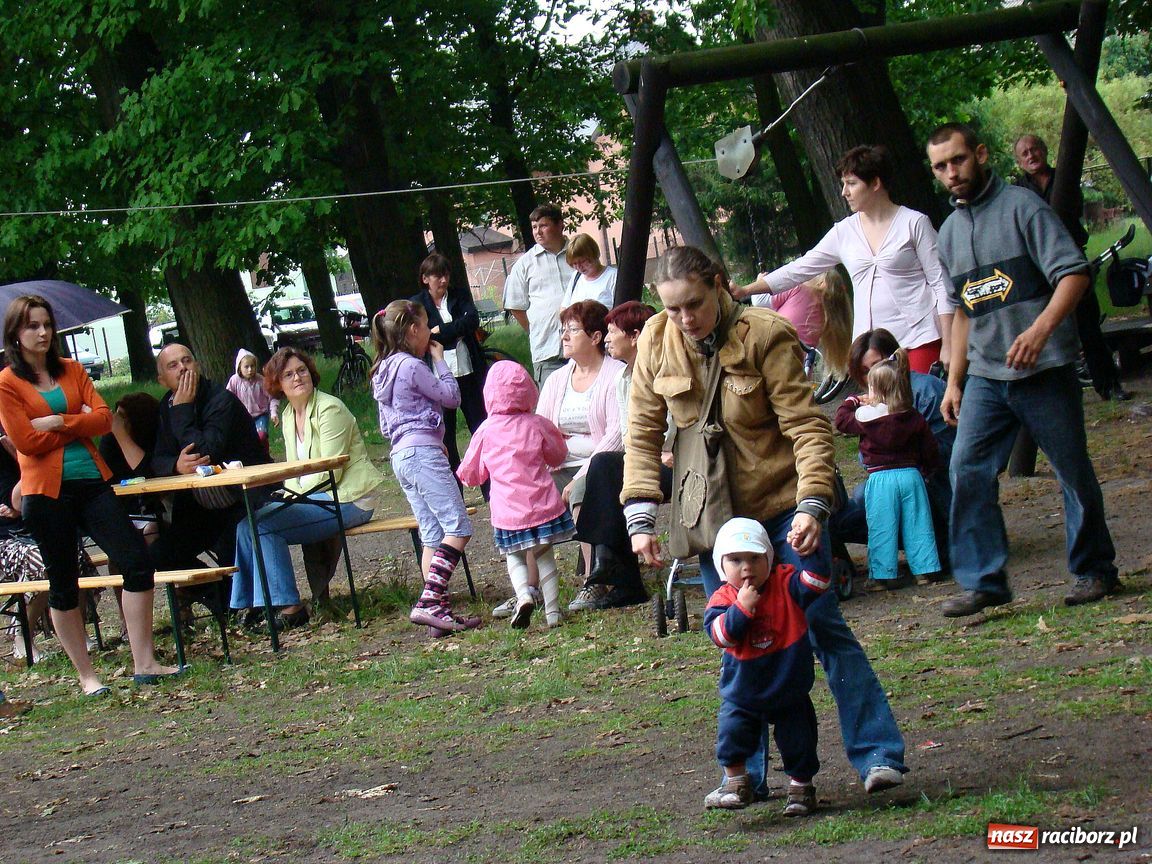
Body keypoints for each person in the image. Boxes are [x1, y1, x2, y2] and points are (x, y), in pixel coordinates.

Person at [623, 245, 908, 797]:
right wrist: (640, 516)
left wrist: (812, 506)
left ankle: (878, 754)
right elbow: (640, 434)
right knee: (738, 643)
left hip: (782, 512)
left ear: (721, 285)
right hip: (716, 524)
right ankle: (745, 777)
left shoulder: (765, 334)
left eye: (694, 304)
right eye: (673, 308)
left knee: (823, 627)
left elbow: (807, 426)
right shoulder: (656, 343)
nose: (684, 318)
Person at [926, 123, 1120, 615]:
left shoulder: (1022, 207)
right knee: (966, 468)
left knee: (1072, 471)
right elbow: (967, 311)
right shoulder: (948, 233)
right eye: (941, 166)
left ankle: (1094, 569)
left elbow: (1074, 274)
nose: (952, 172)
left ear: (981, 155)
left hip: (1045, 368)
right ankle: (984, 581)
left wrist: (1039, 332)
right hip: (988, 377)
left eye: (958, 160)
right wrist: (954, 381)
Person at [0, 295, 178, 695]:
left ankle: (144, 661)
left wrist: (60, 420)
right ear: (16, 333)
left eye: (47, 324)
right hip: (46, 492)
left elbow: (102, 419)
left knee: (135, 560)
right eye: (33, 325)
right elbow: (26, 441)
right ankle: (86, 675)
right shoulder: (7, 383)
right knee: (64, 581)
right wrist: (75, 424)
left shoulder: (73, 369)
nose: (43, 332)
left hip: (92, 483)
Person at [732, 145, 953, 373]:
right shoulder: (844, 232)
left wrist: (949, 342)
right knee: (883, 409)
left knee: (922, 403)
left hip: (920, 337)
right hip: (870, 347)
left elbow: (941, 283)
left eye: (852, 183)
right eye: (843, 184)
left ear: (875, 184)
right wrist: (746, 290)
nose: (844, 192)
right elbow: (800, 268)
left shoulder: (914, 223)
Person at [229, 347, 383, 631]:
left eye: (301, 371)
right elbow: (294, 470)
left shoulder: (329, 408)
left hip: (349, 498)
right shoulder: (288, 415)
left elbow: (330, 471)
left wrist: (292, 502)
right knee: (245, 525)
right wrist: (287, 496)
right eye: (288, 374)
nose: (297, 377)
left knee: (264, 526)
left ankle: (289, 608)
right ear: (277, 384)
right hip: (317, 498)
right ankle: (250, 605)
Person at [702, 518, 829, 814]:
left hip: (788, 686)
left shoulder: (785, 582)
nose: (747, 568)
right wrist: (742, 609)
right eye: (736, 560)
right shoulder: (722, 599)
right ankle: (736, 783)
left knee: (799, 739)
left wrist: (809, 552)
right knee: (732, 735)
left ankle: (801, 789)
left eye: (755, 558)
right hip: (743, 691)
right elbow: (721, 635)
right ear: (721, 565)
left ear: (769, 558)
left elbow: (817, 582)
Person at [371, 300, 479, 635]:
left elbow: (388, 425)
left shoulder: (383, 370)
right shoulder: (412, 366)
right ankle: (430, 600)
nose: (431, 331)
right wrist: (440, 361)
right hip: (422, 453)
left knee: (431, 534)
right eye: (426, 324)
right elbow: (451, 397)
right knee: (458, 527)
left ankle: (439, 614)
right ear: (414, 329)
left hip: (402, 456)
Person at [458, 360, 577, 629]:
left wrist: (467, 477)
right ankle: (553, 612)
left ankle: (523, 594)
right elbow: (557, 454)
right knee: (545, 555)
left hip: (508, 512)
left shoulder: (486, 430)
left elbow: (472, 472)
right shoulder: (537, 424)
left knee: (514, 557)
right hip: (542, 504)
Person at [524, 300, 626, 614]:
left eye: (573, 330)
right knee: (527, 499)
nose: (564, 337)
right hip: (562, 463)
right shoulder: (556, 380)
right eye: (564, 330)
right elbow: (540, 429)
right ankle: (528, 589)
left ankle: (594, 581)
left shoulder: (616, 374)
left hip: (603, 465)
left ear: (596, 337)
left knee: (582, 492)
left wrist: (580, 475)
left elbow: (615, 434)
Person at [1013, 133, 1129, 402]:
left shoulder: (1065, 178)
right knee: (1043, 329)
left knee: (1089, 326)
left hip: (1071, 262)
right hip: (1038, 270)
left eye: (1035, 149)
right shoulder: (1018, 192)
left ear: (1044, 151)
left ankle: (1108, 384)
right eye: (1025, 153)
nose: (1031, 156)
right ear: (1019, 161)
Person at [831, 329, 954, 573]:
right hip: (911, 484)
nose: (871, 378)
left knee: (869, 497)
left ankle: (897, 566)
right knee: (844, 516)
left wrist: (855, 405)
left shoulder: (922, 394)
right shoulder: (882, 405)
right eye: (864, 372)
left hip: (938, 491)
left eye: (876, 367)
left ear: (895, 361)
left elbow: (941, 457)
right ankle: (923, 564)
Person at [151, 344, 271, 574]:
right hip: (199, 506)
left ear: (197, 366)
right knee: (159, 556)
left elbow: (207, 453)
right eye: (173, 365)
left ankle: (239, 604)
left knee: (231, 555)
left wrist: (183, 409)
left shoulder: (221, 400)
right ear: (162, 380)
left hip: (241, 499)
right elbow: (157, 459)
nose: (183, 368)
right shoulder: (166, 407)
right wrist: (176, 466)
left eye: (187, 361)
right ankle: (217, 598)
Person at [573, 301, 660, 608]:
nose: (607, 339)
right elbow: (627, 432)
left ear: (635, 335)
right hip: (642, 458)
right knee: (605, 467)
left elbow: (676, 422)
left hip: (672, 459)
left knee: (605, 469)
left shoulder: (661, 369)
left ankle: (610, 566)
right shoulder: (624, 377)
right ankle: (614, 569)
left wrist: (664, 452)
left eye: (612, 332)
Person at [0, 427, 100, 662]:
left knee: (70, 551)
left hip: (37, 526)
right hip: (7, 538)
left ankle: (77, 630)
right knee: (45, 560)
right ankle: (23, 638)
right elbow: (13, 501)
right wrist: (22, 462)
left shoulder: (43, 444)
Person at [410, 252, 488, 472]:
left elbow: (472, 320)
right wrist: (454, 330)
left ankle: (488, 486)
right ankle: (455, 489)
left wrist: (441, 330)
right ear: (426, 278)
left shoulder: (460, 295)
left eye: (445, 275)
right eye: (437, 276)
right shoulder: (417, 304)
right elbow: (423, 335)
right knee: (446, 435)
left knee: (479, 427)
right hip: (438, 378)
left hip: (468, 372)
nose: (443, 280)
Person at [502, 204, 574, 383]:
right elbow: (515, 307)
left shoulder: (578, 254)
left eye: (543, 225)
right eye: (534, 227)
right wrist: (535, 329)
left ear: (560, 225)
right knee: (552, 408)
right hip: (548, 351)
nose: (538, 232)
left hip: (585, 346)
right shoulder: (525, 264)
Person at [747, 269, 853, 379]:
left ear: (820, 282)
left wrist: (760, 281)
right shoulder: (829, 314)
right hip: (801, 369)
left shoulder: (798, 289)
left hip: (776, 354)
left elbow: (759, 301)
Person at [226, 349, 279, 449]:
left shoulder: (261, 381)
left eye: (252, 366)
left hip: (260, 415)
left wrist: (274, 413)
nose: (250, 370)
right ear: (239, 367)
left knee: (261, 437)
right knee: (245, 440)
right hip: (243, 417)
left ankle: (265, 456)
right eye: (246, 367)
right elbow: (227, 398)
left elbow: (273, 397)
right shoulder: (234, 381)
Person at [562, 234, 618, 310]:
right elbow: (564, 307)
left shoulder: (613, 276)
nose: (579, 267)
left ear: (594, 255)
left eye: (583, 261)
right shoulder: (576, 276)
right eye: (574, 264)